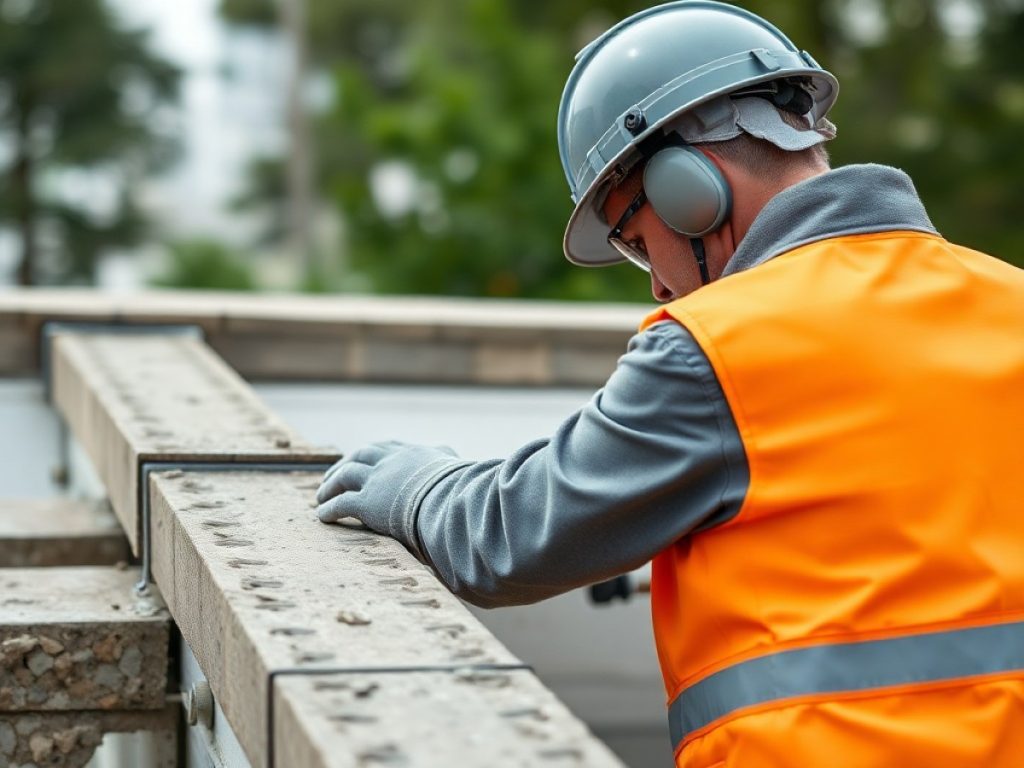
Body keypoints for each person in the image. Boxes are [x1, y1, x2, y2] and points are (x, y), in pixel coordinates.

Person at [316, 1, 1024, 765]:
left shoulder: (720, 348)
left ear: (687, 186)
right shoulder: (1007, 301)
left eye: (632, 236)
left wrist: (418, 486)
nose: (656, 283)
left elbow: (510, 539)